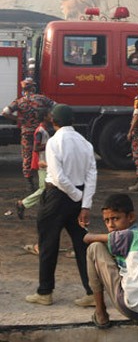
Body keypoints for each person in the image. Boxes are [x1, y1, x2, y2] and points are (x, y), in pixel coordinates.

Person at [25, 104, 97, 307]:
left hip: (57, 197)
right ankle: (91, 292)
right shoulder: (85, 143)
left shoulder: (54, 141)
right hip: (78, 196)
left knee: (48, 244)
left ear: (53, 122)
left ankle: (45, 292)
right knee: (82, 245)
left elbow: (58, 177)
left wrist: (75, 196)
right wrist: (85, 203)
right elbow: (92, 174)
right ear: (73, 120)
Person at [83, 194, 138, 328]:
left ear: (131, 217)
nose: (111, 225)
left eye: (115, 218)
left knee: (94, 248)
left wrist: (86, 235)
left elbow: (88, 238)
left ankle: (101, 314)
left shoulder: (128, 235)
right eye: (107, 221)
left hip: (132, 306)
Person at [2, 78, 55, 191]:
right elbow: (56, 106)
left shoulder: (19, 101)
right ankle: (46, 179)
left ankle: (30, 182)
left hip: (26, 132)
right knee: (43, 153)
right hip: (40, 131)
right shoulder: (42, 98)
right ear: (33, 87)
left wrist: (17, 119)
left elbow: (5, 112)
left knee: (27, 156)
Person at [16, 108, 53, 221]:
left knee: (47, 188)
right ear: (44, 117)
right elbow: (36, 148)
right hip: (42, 164)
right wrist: (50, 145)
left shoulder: (43, 130)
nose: (51, 116)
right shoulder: (40, 131)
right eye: (49, 114)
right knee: (43, 189)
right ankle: (23, 203)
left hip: (45, 163)